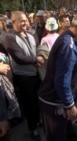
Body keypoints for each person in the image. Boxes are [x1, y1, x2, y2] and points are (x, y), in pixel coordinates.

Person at [37, 13, 77, 141]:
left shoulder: (69, 38)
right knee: (57, 137)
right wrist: (70, 105)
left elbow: (71, 64)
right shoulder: (68, 45)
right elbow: (61, 81)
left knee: (68, 134)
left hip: (58, 101)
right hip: (54, 103)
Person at [2, 11, 43, 140]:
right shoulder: (9, 38)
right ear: (13, 22)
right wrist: (36, 59)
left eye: (26, 20)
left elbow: (37, 48)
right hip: (24, 78)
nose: (25, 23)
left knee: (39, 101)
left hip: (36, 73)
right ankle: (33, 129)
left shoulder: (31, 34)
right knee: (29, 104)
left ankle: (39, 121)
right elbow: (19, 58)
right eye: (22, 21)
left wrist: (40, 57)